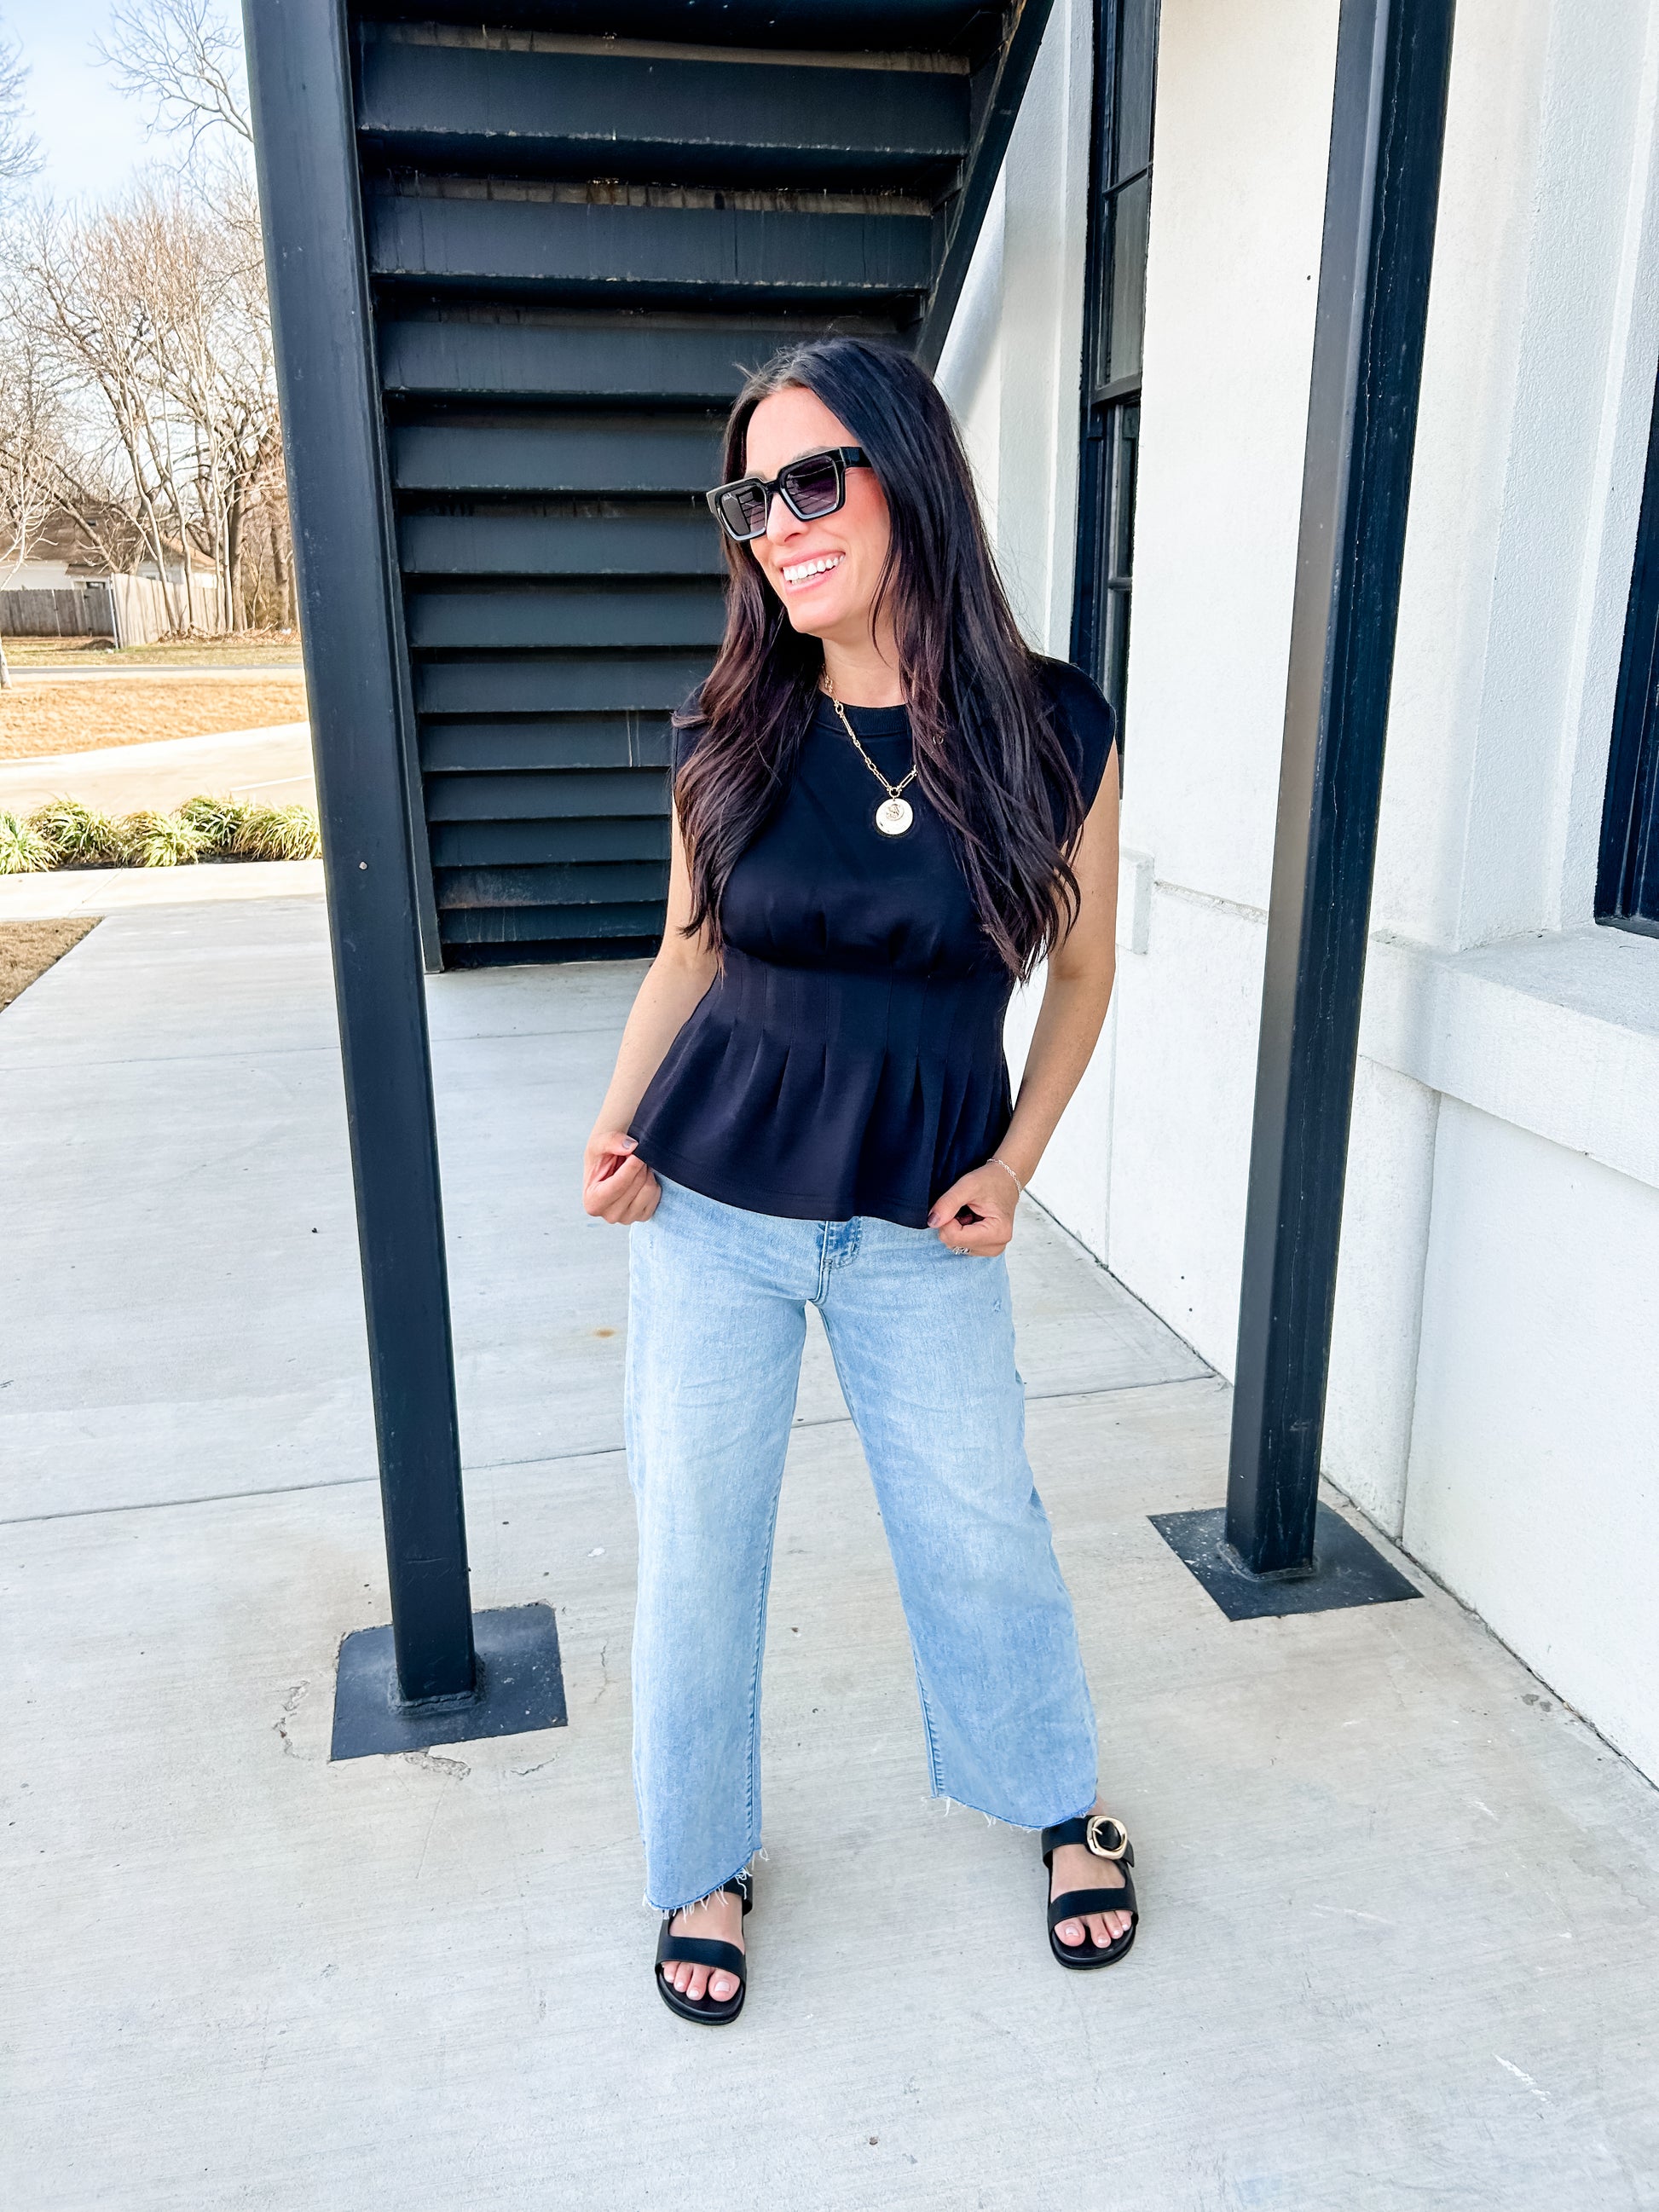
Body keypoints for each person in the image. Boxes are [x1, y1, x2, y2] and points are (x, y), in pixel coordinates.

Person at [582, 336, 1134, 2026]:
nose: (780, 523)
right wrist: (614, 1127)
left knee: (978, 1526)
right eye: (752, 497)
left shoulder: (1053, 724)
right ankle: (703, 1855)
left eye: (814, 479)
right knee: (695, 1544)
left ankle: (1054, 1797)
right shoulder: (728, 726)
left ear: (911, 476)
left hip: (920, 1214)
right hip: (712, 1204)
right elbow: (687, 956)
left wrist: (1015, 1164)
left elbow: (1083, 968)